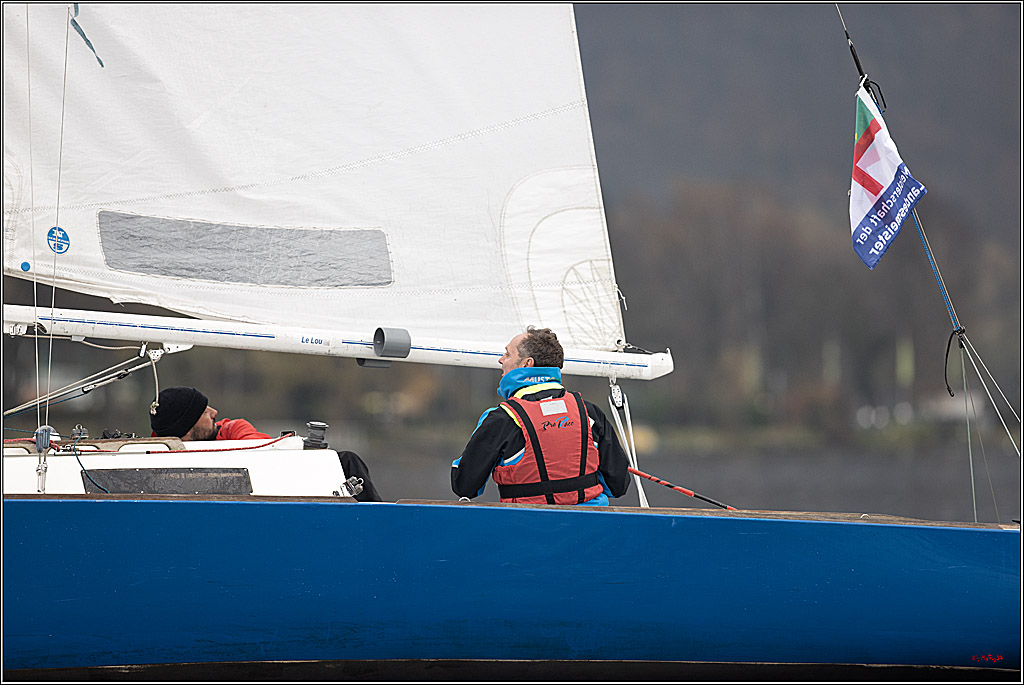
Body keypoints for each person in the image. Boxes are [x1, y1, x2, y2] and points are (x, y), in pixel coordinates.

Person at [452, 327, 630, 505]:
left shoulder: (501, 419)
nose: (501, 360)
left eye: (507, 354)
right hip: (590, 525)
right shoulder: (589, 412)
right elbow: (617, 485)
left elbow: (465, 486)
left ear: (526, 364)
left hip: (528, 527)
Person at [150, 386, 382, 501]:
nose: (214, 412)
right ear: (186, 426)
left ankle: (380, 525)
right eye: (203, 411)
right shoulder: (148, 456)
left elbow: (265, 454)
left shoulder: (233, 429)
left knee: (347, 461)